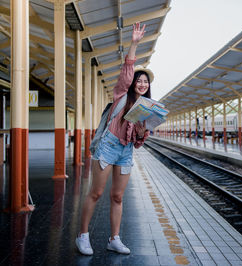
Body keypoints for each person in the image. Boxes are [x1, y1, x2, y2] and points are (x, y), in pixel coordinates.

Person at [75, 22, 152, 255]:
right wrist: (134, 44)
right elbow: (128, 69)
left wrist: (140, 134)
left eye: (145, 82)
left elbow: (140, 141)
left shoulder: (146, 108)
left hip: (125, 151)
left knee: (117, 196)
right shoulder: (121, 93)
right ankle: (83, 235)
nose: (141, 83)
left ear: (148, 87)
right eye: (139, 80)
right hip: (108, 147)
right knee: (96, 193)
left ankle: (114, 239)